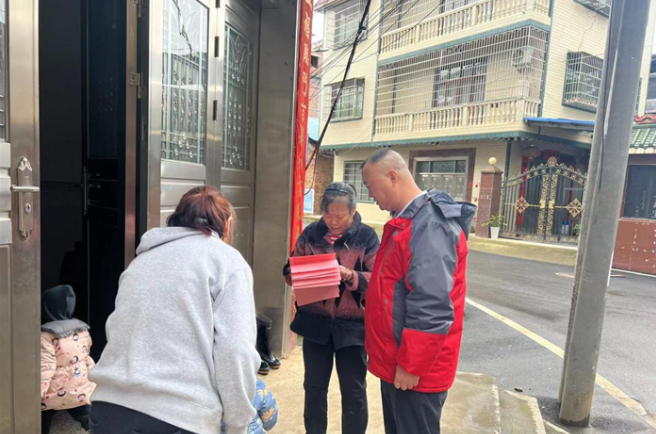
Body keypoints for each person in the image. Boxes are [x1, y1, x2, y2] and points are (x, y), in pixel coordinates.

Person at [89, 186, 261, 434]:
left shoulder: (141, 261)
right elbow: (235, 350)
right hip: (178, 416)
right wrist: (238, 424)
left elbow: (118, 329)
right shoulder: (228, 262)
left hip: (109, 409)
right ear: (228, 224)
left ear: (176, 220)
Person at [360, 149, 476, 434]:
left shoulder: (429, 226)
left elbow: (431, 304)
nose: (370, 195)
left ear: (392, 177)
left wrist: (411, 365)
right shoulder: (408, 221)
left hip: (415, 372)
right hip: (399, 362)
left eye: (370, 185)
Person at [283, 182, 380, 434]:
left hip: (353, 327)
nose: (333, 221)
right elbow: (290, 267)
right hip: (315, 324)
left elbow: (378, 280)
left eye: (340, 216)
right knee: (314, 388)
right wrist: (297, 274)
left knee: (353, 391)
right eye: (328, 214)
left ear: (353, 211)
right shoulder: (311, 234)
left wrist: (348, 275)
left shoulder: (366, 237)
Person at [40, 285, 96, 433]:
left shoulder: (45, 336)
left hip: (53, 395)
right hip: (79, 389)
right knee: (88, 419)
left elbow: (46, 367)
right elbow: (86, 358)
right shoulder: (82, 330)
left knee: (41, 422)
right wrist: (93, 382)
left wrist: (37, 394)